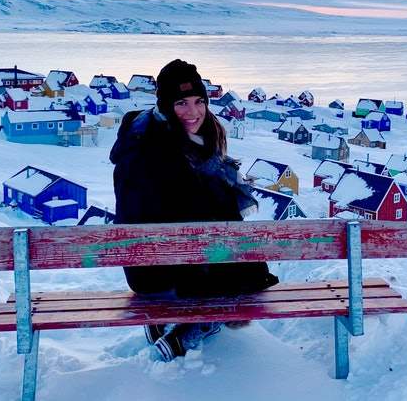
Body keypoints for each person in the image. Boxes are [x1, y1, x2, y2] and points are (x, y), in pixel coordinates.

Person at [109, 59, 279, 361]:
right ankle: (196, 325)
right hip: (163, 275)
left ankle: (162, 320)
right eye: (181, 103)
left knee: (243, 260)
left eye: (200, 101)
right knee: (250, 276)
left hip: (146, 269)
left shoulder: (146, 134)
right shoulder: (160, 154)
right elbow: (198, 219)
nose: (194, 112)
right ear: (165, 104)